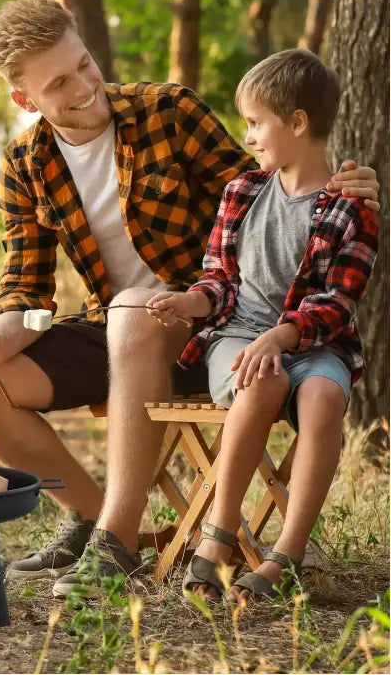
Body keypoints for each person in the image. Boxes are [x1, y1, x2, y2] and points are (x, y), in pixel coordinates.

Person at [0, 0, 380, 598]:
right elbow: (26, 285)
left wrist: (342, 182)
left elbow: (269, 186)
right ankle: (92, 517)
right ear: (25, 99)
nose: (83, 86)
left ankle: (115, 546)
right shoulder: (25, 163)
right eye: (58, 83)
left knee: (131, 312)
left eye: (84, 64)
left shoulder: (167, 112)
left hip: (210, 324)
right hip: (117, 329)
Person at [146, 48, 379, 602]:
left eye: (255, 123)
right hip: (240, 337)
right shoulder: (243, 193)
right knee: (263, 377)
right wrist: (190, 304)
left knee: (323, 397)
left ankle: (287, 554)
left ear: (297, 123)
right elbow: (219, 280)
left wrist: (284, 335)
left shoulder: (350, 209)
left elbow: (338, 302)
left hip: (316, 344)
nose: (248, 136)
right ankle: (217, 537)